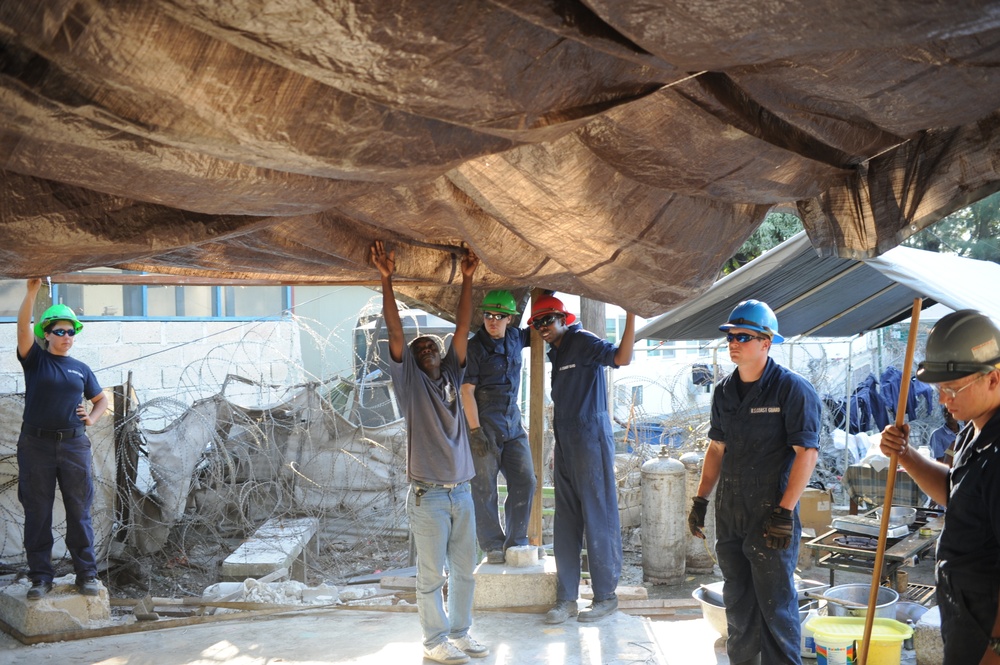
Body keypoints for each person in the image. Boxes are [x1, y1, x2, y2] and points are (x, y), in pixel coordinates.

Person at [370, 241, 487, 665]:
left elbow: (460, 328)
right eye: (418, 351)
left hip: (462, 492)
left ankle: (460, 632)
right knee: (430, 576)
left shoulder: (452, 374)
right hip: (429, 495)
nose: (425, 350)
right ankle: (434, 640)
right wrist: (386, 278)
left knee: (464, 572)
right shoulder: (411, 386)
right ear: (414, 362)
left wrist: (468, 277)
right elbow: (396, 330)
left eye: (429, 346)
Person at [687, 299, 821, 665]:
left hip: (771, 513)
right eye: (730, 336)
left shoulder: (792, 390)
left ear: (766, 342)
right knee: (738, 604)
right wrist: (701, 501)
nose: (734, 342)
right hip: (730, 511)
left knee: (775, 606)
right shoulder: (724, 392)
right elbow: (717, 448)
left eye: (743, 336)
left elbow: (806, 453)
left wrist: (784, 511)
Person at [878, 310, 1000, 665]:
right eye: (939, 390)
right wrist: (905, 454)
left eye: (951, 389)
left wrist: (995, 645)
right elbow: (956, 493)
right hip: (965, 609)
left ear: (992, 378)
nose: (944, 400)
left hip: (988, 627)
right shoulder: (975, 426)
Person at [534, 294, 636, 624]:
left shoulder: (582, 341)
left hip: (591, 440)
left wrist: (630, 313)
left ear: (564, 318)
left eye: (548, 320)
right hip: (564, 443)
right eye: (537, 323)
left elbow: (621, 358)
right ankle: (567, 599)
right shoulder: (556, 351)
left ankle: (606, 597)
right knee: (566, 522)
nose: (543, 327)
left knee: (598, 516)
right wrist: (556, 448)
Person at [16, 278, 108, 599]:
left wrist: (92, 419)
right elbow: (22, 328)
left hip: (73, 445)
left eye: (71, 332)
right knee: (38, 513)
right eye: (60, 331)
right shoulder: (35, 360)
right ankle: (41, 578)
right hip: (36, 446)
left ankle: (87, 575)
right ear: (47, 333)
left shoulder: (80, 369)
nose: (66, 337)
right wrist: (30, 292)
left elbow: (101, 399)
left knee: (79, 511)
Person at [461, 290, 536, 565]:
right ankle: (492, 544)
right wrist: (474, 431)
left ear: (509, 319)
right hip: (484, 424)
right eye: (488, 316)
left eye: (499, 317)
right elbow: (466, 391)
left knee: (526, 480)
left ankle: (516, 541)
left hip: (512, 422)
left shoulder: (517, 338)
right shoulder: (475, 347)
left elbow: (541, 326)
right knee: (484, 487)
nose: (492, 321)